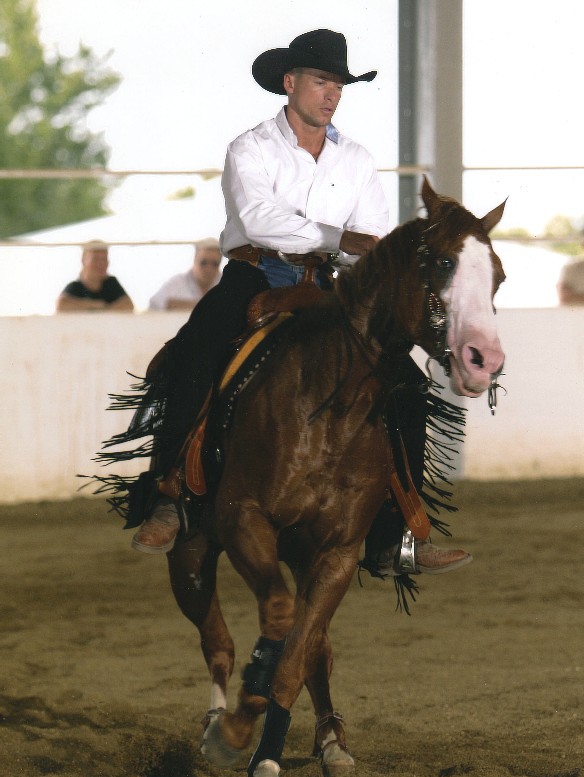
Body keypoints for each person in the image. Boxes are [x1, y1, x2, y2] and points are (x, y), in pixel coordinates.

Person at [127, 29, 471, 575]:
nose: (332, 94)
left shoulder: (356, 159)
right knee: (197, 351)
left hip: (328, 284)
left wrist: (353, 252)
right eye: (321, 81)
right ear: (290, 83)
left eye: (339, 85)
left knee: (404, 383)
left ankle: (397, 534)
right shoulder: (251, 147)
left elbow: (370, 235)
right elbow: (261, 221)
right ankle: (169, 495)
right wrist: (339, 238)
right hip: (254, 274)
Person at [56, 240, 134, 312]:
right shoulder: (75, 287)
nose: (101, 264)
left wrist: (102, 310)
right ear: (83, 261)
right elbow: (61, 305)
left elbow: (129, 305)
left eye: (104, 259)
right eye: (95, 259)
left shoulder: (111, 284)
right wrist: (95, 306)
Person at [148, 238, 222, 311]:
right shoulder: (176, 283)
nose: (209, 269)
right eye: (204, 263)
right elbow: (154, 304)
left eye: (215, 264)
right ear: (195, 259)